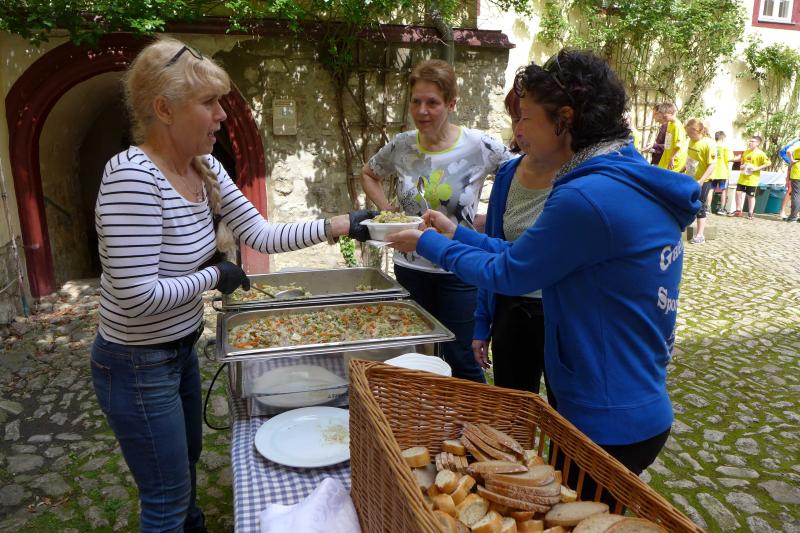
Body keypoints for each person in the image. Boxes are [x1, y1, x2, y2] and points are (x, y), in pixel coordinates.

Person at [388, 50, 701, 503]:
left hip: (606, 417)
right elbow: (527, 256)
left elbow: (510, 273)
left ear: (564, 120)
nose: (518, 129)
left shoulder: (587, 196)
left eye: (527, 117)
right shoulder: (620, 179)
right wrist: (457, 234)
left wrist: (427, 245)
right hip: (631, 403)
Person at [91, 38, 375, 533]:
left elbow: (261, 234)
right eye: (209, 102)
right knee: (165, 498)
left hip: (178, 348)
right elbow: (137, 297)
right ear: (164, 109)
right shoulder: (132, 177)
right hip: (135, 362)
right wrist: (215, 275)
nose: (222, 114)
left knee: (186, 463)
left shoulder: (205, 168)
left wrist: (341, 224)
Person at [360, 59, 511, 383]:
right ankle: (428, 413)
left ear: (451, 104)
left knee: (462, 359)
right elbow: (369, 173)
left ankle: (473, 416)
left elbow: (521, 176)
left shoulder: (480, 146)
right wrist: (389, 212)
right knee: (417, 358)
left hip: (460, 270)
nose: (422, 110)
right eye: (416, 101)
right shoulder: (402, 146)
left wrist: (490, 221)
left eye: (432, 102)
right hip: (410, 268)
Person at [472, 87, 558, 400]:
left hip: (562, 313)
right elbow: (492, 251)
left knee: (566, 413)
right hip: (512, 310)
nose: (519, 130)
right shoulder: (508, 173)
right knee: (512, 408)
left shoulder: (579, 175)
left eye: (527, 119)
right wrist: (482, 322)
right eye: (514, 119)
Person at [684, 118, 717, 244]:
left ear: (698, 131)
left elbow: (712, 164)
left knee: (700, 206)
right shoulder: (691, 141)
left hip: (703, 180)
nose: (689, 135)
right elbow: (691, 159)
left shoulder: (709, 144)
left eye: (690, 133)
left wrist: (702, 180)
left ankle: (700, 235)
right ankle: (684, 227)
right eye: (687, 133)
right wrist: (683, 169)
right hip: (690, 178)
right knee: (687, 202)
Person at [730, 135, 770, 220]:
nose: (750, 143)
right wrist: (742, 166)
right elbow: (742, 162)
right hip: (742, 177)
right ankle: (738, 211)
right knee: (738, 193)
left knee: (750, 196)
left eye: (752, 141)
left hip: (752, 179)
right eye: (750, 141)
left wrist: (756, 168)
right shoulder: (746, 152)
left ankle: (750, 213)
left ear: (757, 143)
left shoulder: (761, 153)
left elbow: (768, 163)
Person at [655, 102, 687, 173]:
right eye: (662, 116)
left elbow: (678, 145)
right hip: (667, 157)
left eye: (665, 117)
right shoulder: (669, 123)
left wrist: (672, 158)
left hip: (674, 160)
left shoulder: (677, 126)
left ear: (672, 114)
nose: (663, 118)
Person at [712, 131, 733, 215]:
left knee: (711, 189)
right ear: (722, 137)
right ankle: (722, 209)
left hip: (712, 171)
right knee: (724, 190)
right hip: (722, 171)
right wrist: (737, 158)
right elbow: (729, 158)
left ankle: (707, 208)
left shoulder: (712, 145)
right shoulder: (725, 146)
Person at [787, 141, 800, 221]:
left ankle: (793, 216)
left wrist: (791, 160)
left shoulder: (798, 143)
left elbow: (789, 151)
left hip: (798, 171)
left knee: (796, 194)